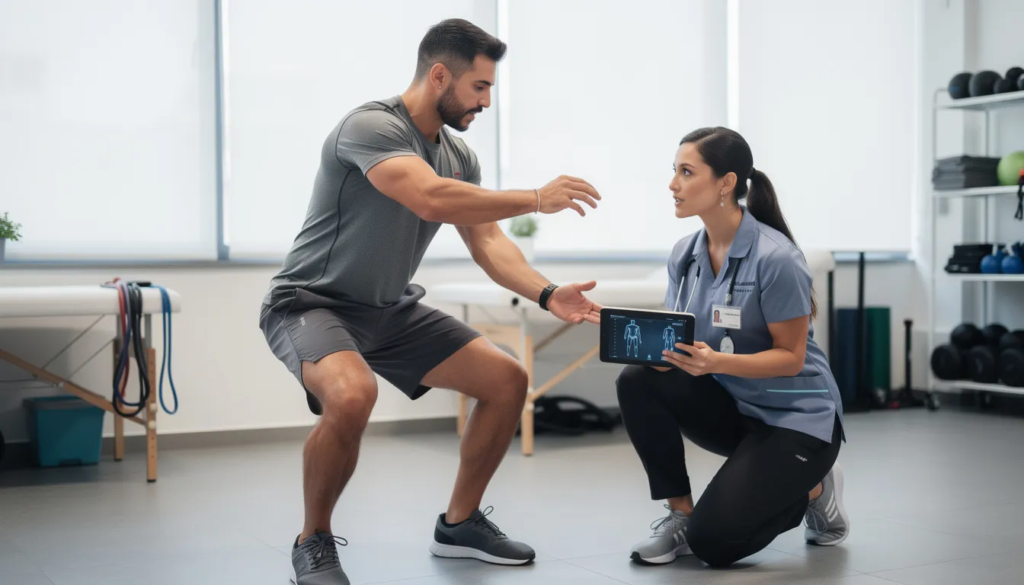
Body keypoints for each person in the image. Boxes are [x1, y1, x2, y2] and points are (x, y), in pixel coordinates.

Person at [259, 19, 603, 585]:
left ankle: (460, 524)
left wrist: (545, 292)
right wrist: (537, 198)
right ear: (439, 75)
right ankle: (312, 541)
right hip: (309, 303)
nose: (487, 101)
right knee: (351, 396)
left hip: (389, 310)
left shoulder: (460, 157)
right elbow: (426, 197)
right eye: (479, 87)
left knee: (507, 380)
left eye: (491, 89)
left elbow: (488, 243)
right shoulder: (369, 126)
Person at [616, 127, 848, 569]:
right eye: (674, 171)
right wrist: (655, 352)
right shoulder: (685, 255)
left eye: (686, 172)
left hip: (797, 420)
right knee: (637, 379)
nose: (673, 184)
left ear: (725, 183)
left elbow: (791, 358)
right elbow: (681, 335)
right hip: (735, 407)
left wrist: (716, 362)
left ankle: (814, 487)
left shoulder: (776, 258)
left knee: (715, 543)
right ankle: (680, 515)